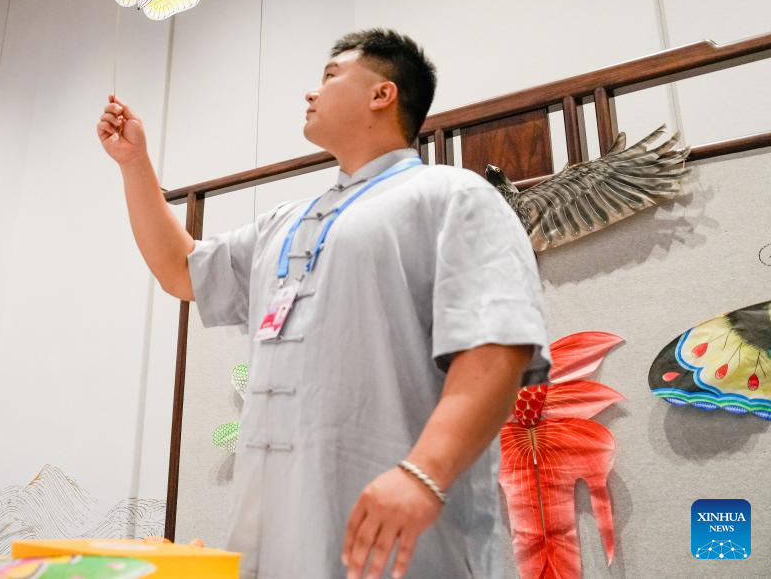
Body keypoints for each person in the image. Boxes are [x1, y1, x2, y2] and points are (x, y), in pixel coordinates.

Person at [96, 29, 549, 578]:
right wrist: (134, 163)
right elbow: (180, 270)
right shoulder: (283, 222)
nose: (311, 92)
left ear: (382, 94)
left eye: (331, 76)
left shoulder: (453, 195)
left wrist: (423, 473)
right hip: (270, 544)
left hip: (401, 545)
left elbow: (496, 347)